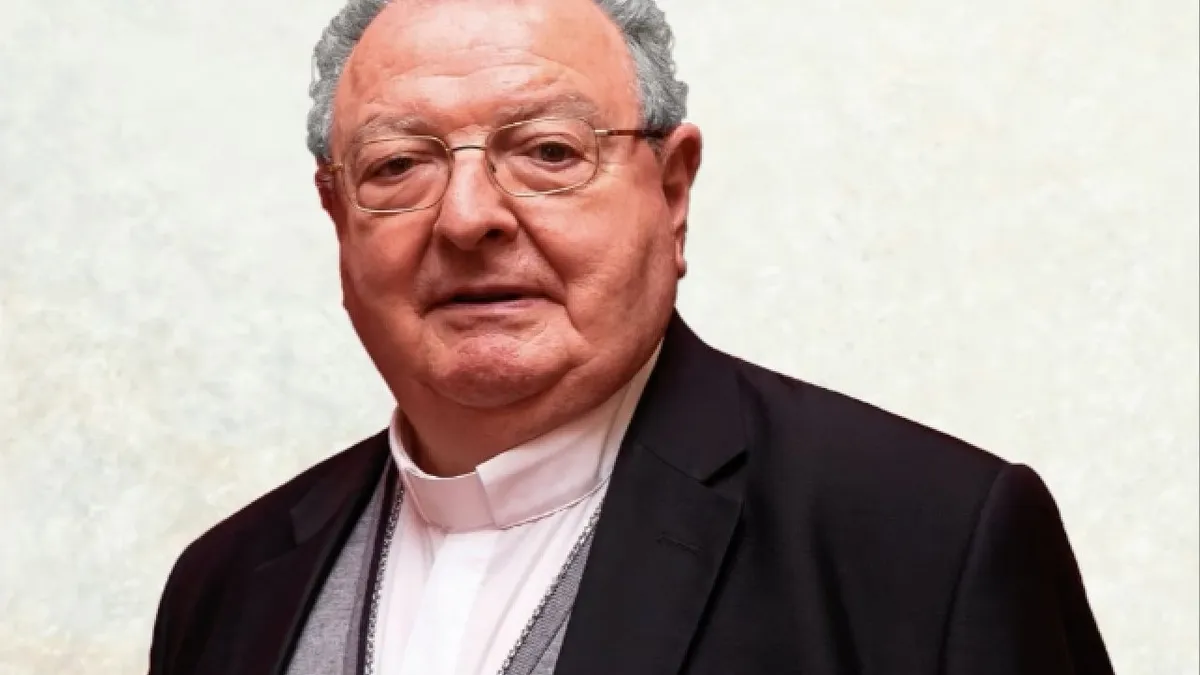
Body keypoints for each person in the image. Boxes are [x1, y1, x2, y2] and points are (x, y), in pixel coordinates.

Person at [147, 0, 1117, 673]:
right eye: (400, 164)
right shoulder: (227, 584)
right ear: (337, 214)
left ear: (673, 191)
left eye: (548, 151)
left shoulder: (928, 539)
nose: (468, 217)